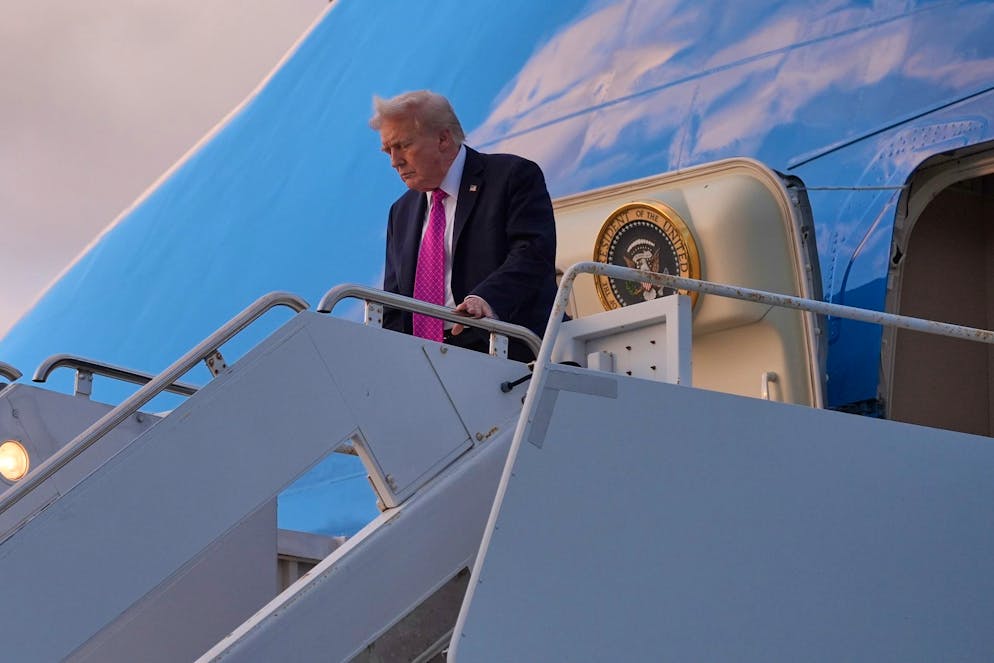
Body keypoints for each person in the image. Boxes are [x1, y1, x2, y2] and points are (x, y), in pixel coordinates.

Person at [371, 90, 558, 361]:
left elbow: (533, 255)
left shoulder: (512, 177)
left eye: (403, 145)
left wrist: (486, 300)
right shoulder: (400, 212)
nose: (394, 161)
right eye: (388, 150)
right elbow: (395, 304)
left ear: (443, 139)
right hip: (425, 363)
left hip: (503, 351)